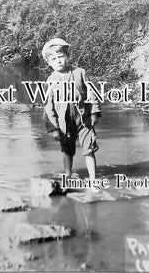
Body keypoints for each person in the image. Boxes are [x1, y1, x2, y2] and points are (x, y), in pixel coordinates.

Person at [42, 38, 101, 188]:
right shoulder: (50, 81)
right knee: (67, 150)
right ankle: (67, 175)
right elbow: (48, 107)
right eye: (54, 59)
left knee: (89, 148)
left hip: (83, 119)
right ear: (49, 63)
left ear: (67, 56)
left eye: (61, 56)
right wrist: (54, 128)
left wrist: (94, 112)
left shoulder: (80, 73)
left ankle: (93, 179)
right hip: (64, 122)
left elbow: (91, 93)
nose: (58, 61)